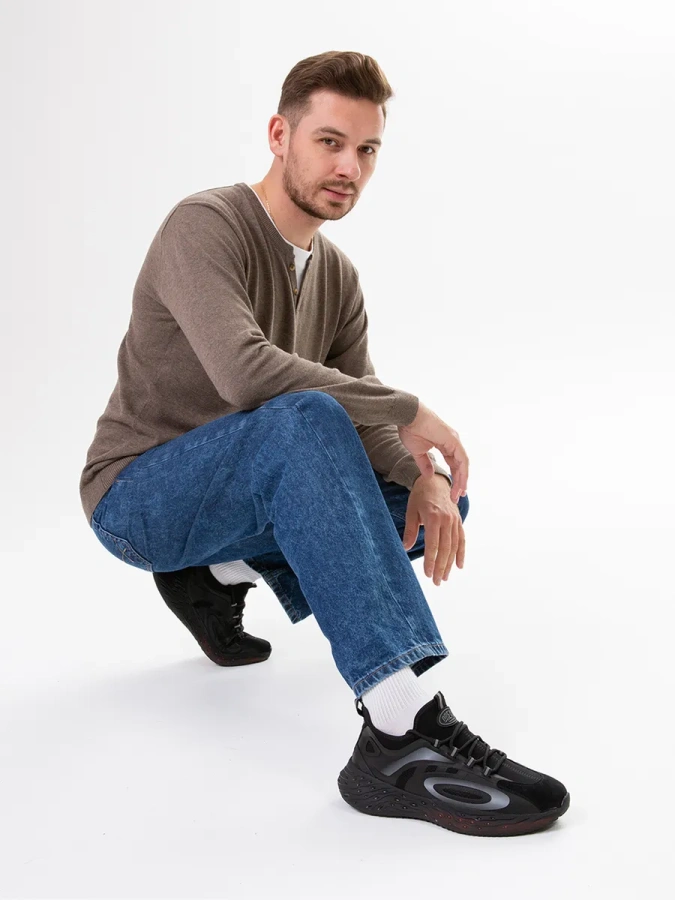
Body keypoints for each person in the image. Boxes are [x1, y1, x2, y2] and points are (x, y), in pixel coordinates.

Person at [79, 50, 569, 836]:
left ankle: (215, 573)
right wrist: (410, 409)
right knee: (304, 419)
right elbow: (246, 374)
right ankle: (400, 730)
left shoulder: (336, 276)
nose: (349, 167)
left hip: (243, 495)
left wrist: (424, 475)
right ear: (280, 136)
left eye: (366, 149)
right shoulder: (204, 225)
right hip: (139, 498)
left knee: (420, 497)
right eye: (329, 142)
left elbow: (364, 423)